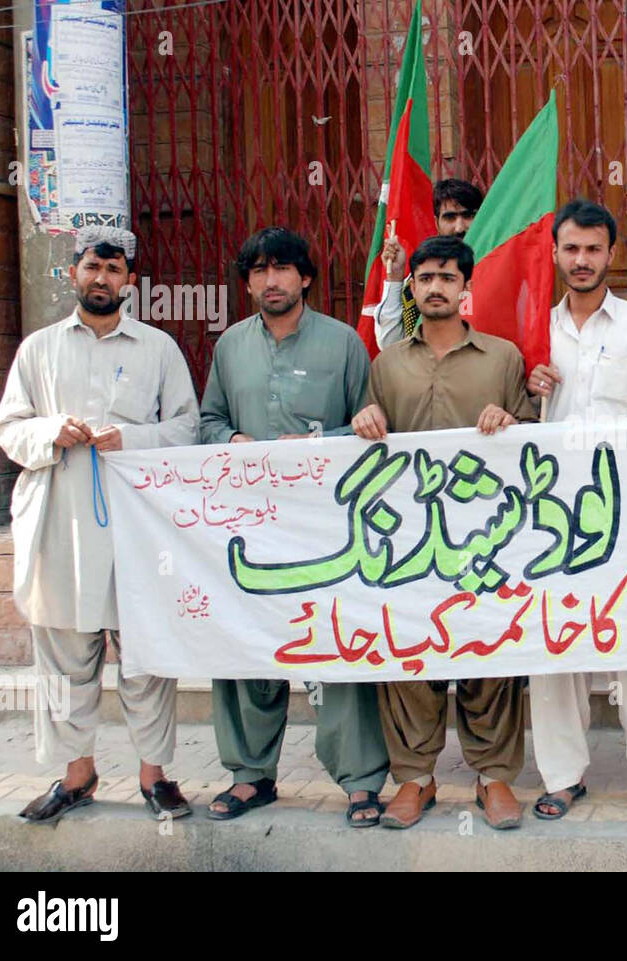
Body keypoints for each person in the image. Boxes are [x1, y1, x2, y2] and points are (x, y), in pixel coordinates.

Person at [0, 226, 199, 824]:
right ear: (74, 274)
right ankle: (76, 774)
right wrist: (48, 431)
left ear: (130, 281)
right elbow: (9, 428)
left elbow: (185, 427)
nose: (101, 278)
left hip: (138, 532)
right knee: (63, 655)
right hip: (61, 524)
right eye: (91, 267)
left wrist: (131, 439)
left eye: (113, 269)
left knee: (145, 655)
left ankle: (154, 776)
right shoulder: (39, 349)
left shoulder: (157, 348)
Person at [198, 227, 386, 827]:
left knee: (338, 645)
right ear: (247, 281)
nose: (270, 280)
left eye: (282, 269)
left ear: (305, 277)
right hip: (250, 526)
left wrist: (312, 444)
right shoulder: (229, 347)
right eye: (258, 270)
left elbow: (372, 429)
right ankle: (251, 775)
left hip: (326, 528)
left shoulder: (344, 345)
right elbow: (207, 421)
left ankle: (360, 781)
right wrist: (234, 441)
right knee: (247, 644)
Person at [352, 235, 537, 830]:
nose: (435, 287)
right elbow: (365, 433)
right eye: (424, 277)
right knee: (409, 655)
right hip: (407, 543)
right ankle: (414, 777)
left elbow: (534, 443)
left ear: (465, 289)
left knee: (490, 654)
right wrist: (366, 419)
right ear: (412, 287)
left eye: (446, 278)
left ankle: (494, 777)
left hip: (486, 541)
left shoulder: (502, 358)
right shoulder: (387, 363)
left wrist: (509, 421)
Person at [524, 199, 627, 825]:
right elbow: (504, 414)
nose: (582, 260)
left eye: (594, 249)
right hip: (550, 509)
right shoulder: (533, 321)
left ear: (612, 254)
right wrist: (524, 388)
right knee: (554, 650)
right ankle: (563, 778)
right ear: (556, 253)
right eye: (572, 249)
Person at [374, 178, 484, 348]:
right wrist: (395, 277)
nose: (460, 227)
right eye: (450, 217)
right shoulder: (423, 280)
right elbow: (390, 344)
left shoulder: (499, 268)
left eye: (468, 216)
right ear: (436, 223)